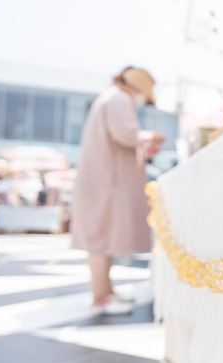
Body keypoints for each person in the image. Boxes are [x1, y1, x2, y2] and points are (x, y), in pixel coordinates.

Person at [71, 66, 165, 315]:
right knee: (100, 241)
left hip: (103, 181)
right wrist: (149, 137)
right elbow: (125, 134)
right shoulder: (118, 99)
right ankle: (100, 297)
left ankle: (106, 292)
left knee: (104, 239)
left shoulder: (111, 97)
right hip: (106, 183)